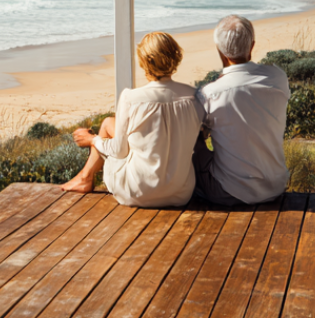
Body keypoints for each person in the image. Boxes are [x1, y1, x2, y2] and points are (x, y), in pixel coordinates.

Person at [59, 32, 204, 207]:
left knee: (106, 124)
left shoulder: (132, 97)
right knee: (109, 124)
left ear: (144, 61)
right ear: (175, 57)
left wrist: (92, 140)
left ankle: (85, 177)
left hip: (138, 191)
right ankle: (84, 177)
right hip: (180, 193)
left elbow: (119, 151)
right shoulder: (194, 96)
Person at [193, 15, 291, 206]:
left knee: (193, 141)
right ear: (252, 46)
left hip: (229, 191)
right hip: (274, 187)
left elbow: (197, 132)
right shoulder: (278, 78)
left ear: (220, 51)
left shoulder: (211, 93)